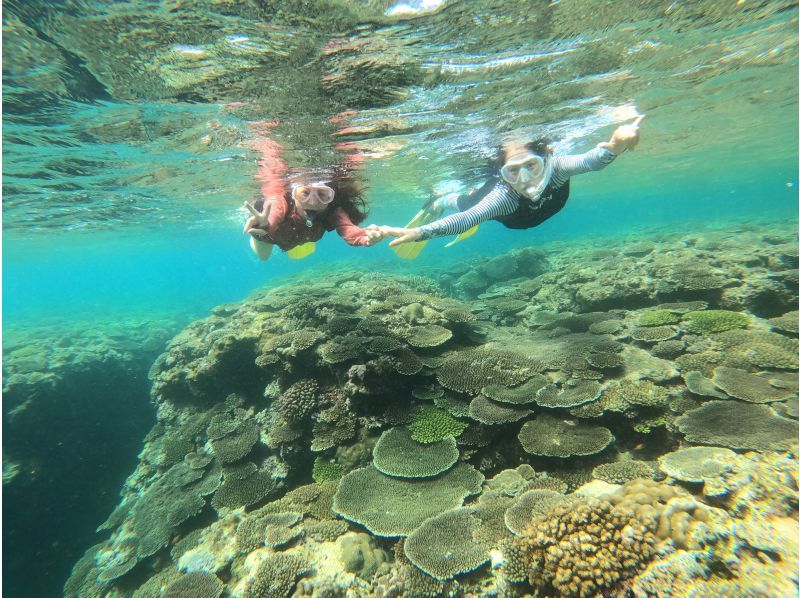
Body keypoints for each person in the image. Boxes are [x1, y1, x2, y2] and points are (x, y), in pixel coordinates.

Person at [376, 115, 645, 256]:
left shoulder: (559, 168)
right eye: (512, 171)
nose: (525, 179)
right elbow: (467, 218)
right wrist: (421, 232)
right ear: (503, 174)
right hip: (512, 217)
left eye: (531, 166)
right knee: (468, 202)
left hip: (536, 212)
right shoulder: (503, 196)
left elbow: (593, 161)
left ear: (546, 159)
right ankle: (440, 199)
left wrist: (617, 143)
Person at [242, 132, 381, 261]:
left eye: (322, 194)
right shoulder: (281, 201)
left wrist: (365, 237)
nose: (313, 202)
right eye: (305, 193)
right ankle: (256, 238)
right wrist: (265, 225)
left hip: (303, 237)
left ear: (331, 196)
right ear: (293, 194)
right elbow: (274, 211)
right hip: (271, 236)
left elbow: (349, 230)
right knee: (264, 257)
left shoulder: (333, 210)